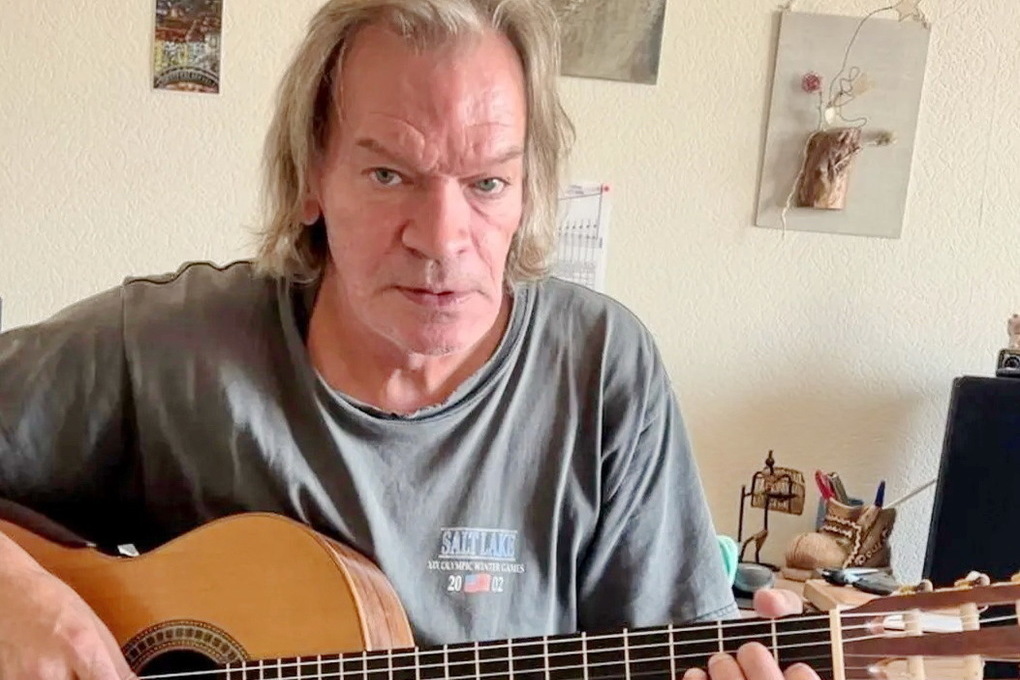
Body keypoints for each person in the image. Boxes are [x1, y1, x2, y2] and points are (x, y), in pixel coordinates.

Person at [0, 1, 818, 679]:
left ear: (528, 190)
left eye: (487, 182)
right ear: (313, 174)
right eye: (389, 175)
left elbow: (677, 644)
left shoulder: (602, 372)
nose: (440, 237)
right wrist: (17, 595)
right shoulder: (171, 349)